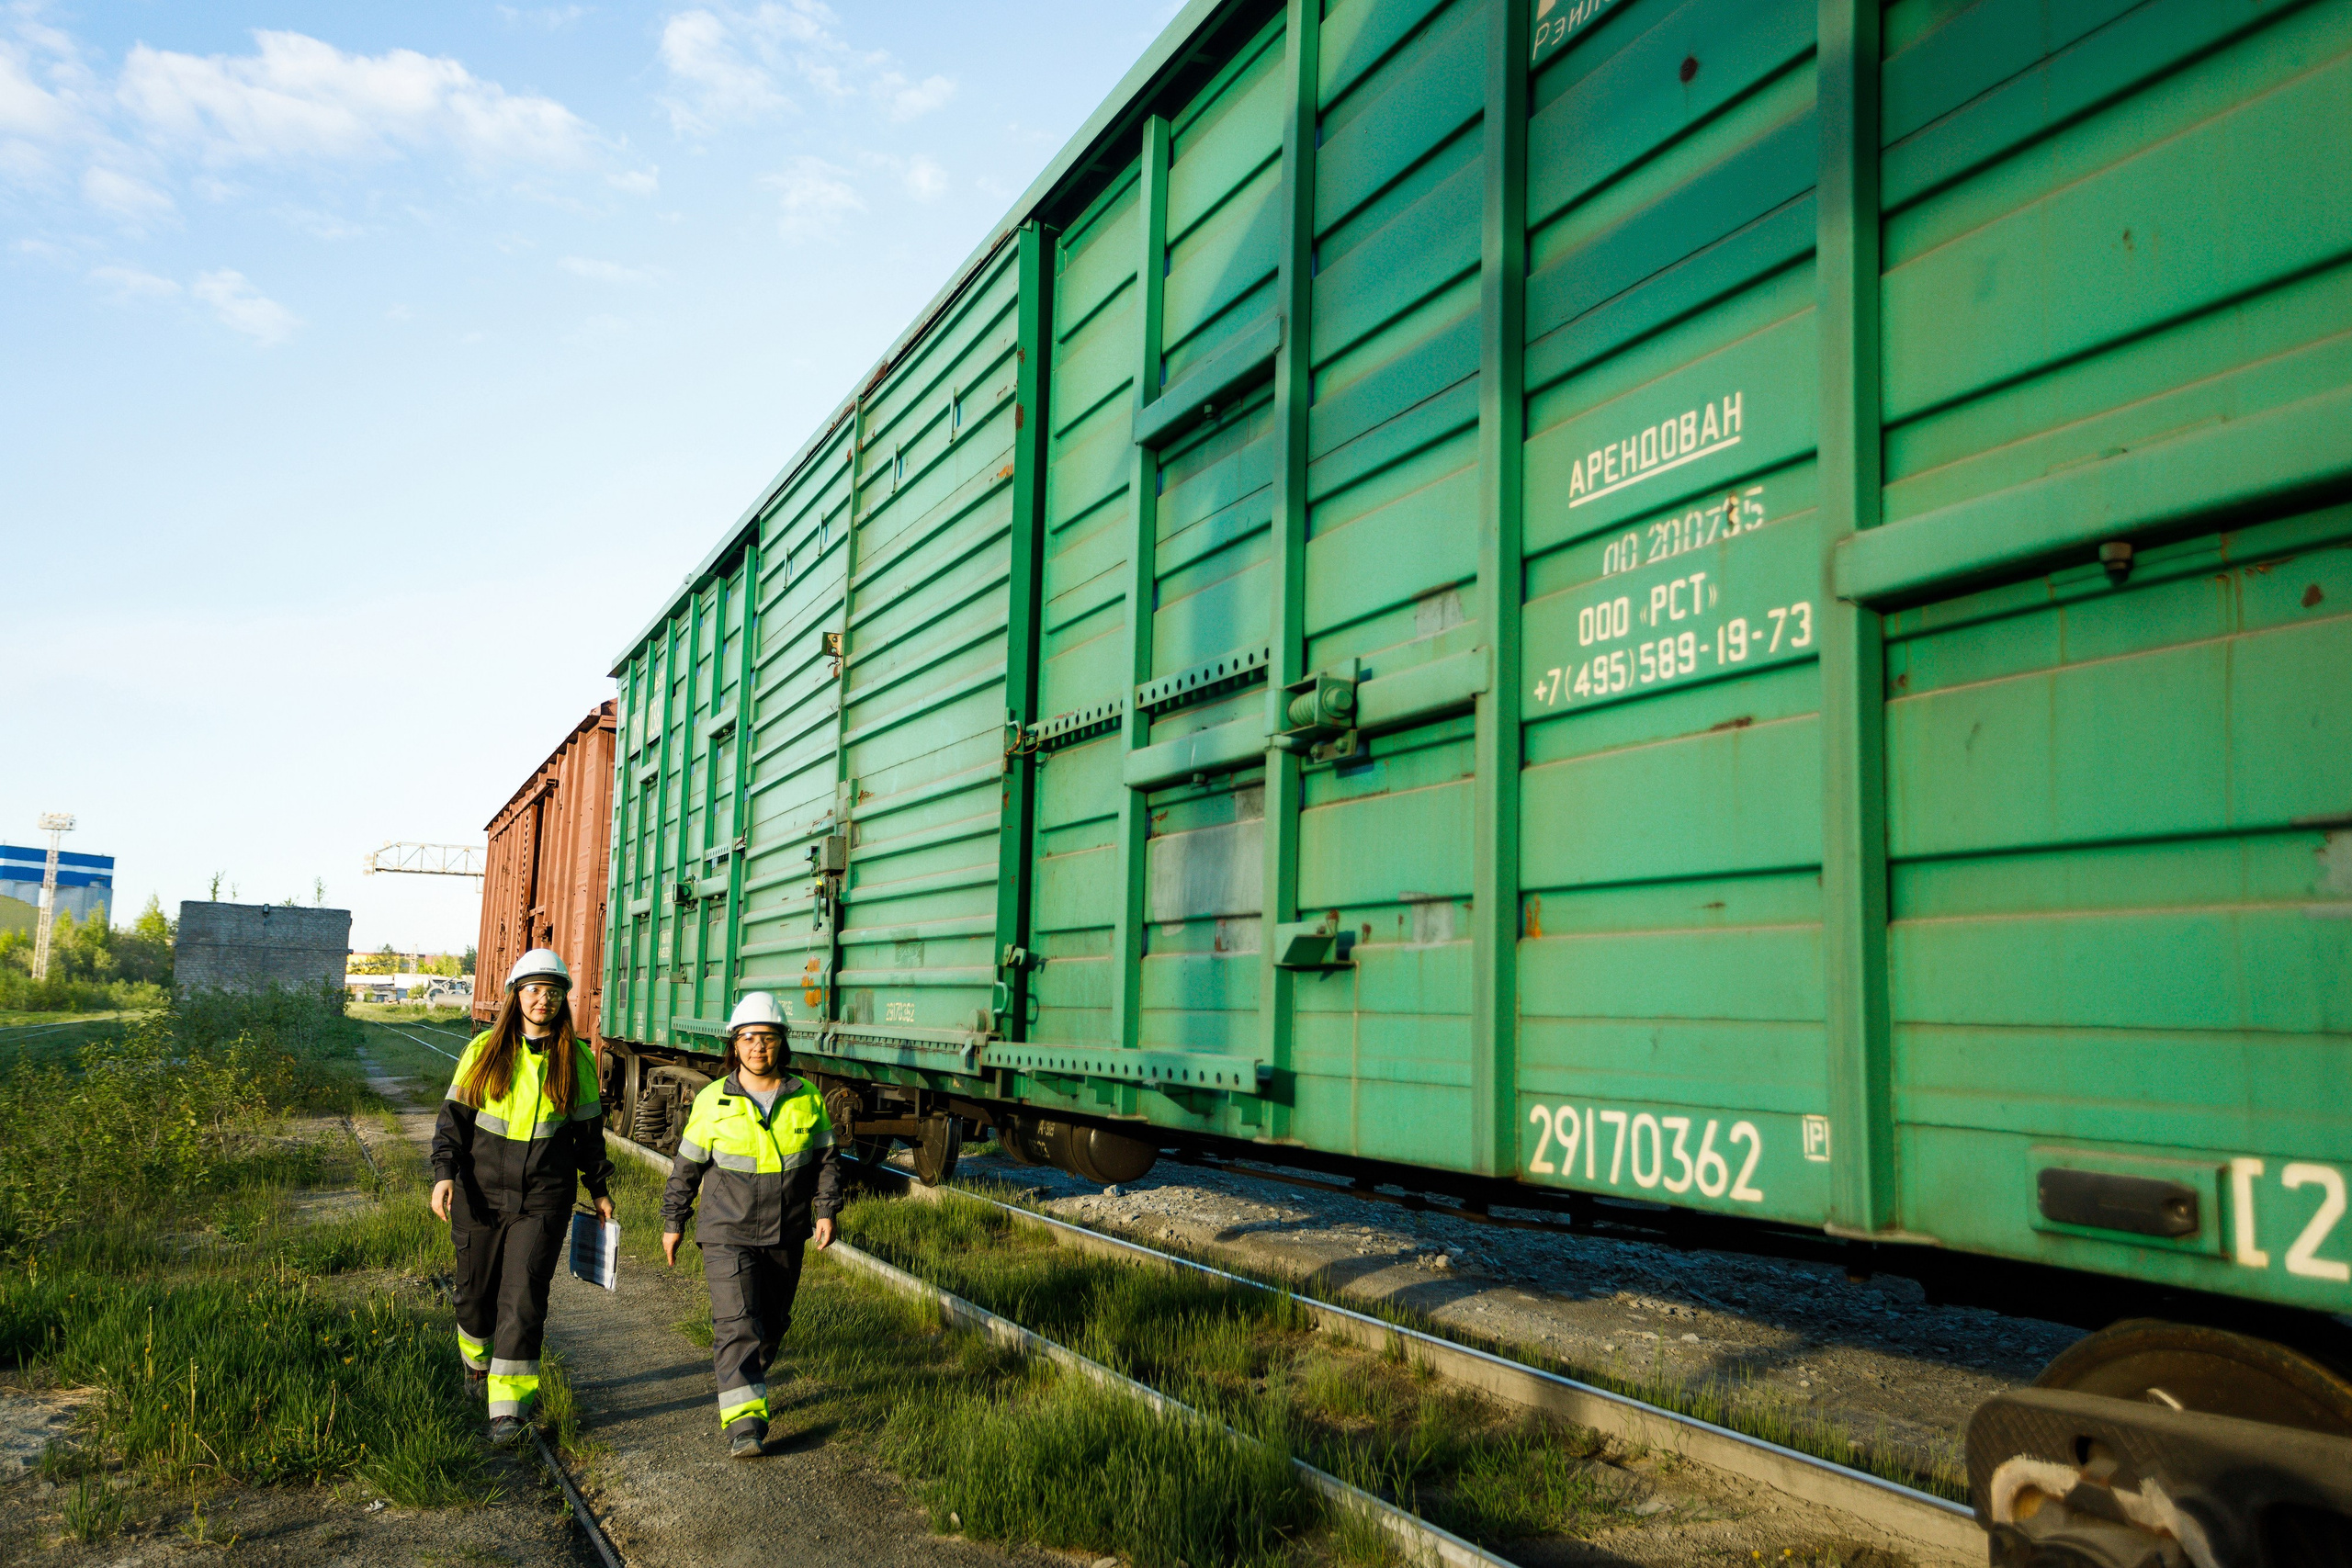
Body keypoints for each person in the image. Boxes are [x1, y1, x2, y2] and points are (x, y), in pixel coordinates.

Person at [429, 948, 615, 1445]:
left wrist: (599, 1189)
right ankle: (476, 1364)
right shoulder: (485, 1051)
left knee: (524, 1298)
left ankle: (508, 1408)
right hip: (479, 1194)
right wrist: (444, 1174)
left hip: (543, 1199)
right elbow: (453, 1123)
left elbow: (588, 1135)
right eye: (534, 990)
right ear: (516, 995)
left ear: (563, 1000)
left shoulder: (575, 1058)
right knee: (473, 1296)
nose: (543, 999)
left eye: (553, 992)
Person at [661, 992, 841, 1459]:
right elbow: (686, 1167)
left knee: (771, 1324)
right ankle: (746, 1425)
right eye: (749, 1038)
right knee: (737, 1322)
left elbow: (825, 1162)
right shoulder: (712, 1099)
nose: (758, 1047)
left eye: (768, 1038)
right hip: (727, 1231)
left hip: (786, 1231)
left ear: (782, 1043)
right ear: (734, 1045)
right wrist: (673, 1219)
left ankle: (746, 1378)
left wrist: (825, 1210)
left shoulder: (807, 1098)